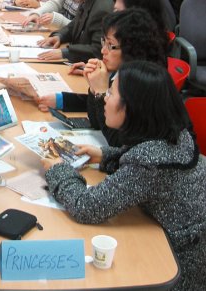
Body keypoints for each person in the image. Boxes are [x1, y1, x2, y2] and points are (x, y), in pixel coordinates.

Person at [41, 60, 206, 291]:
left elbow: (85, 207)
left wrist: (58, 169)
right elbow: (141, 157)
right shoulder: (173, 135)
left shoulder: (149, 163)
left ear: (132, 107)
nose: (105, 98)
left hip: (178, 267)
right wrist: (105, 155)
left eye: (110, 92)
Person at [37, 8, 167, 146]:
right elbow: (96, 121)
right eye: (103, 41)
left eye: (111, 45)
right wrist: (94, 88)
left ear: (132, 48)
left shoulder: (145, 84)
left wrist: (100, 92)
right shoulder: (120, 73)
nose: (102, 50)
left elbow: (116, 141)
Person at [36, 0, 114, 62]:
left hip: (87, 66)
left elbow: (98, 50)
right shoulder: (87, 1)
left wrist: (66, 52)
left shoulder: (102, 9)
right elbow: (74, 24)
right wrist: (59, 36)